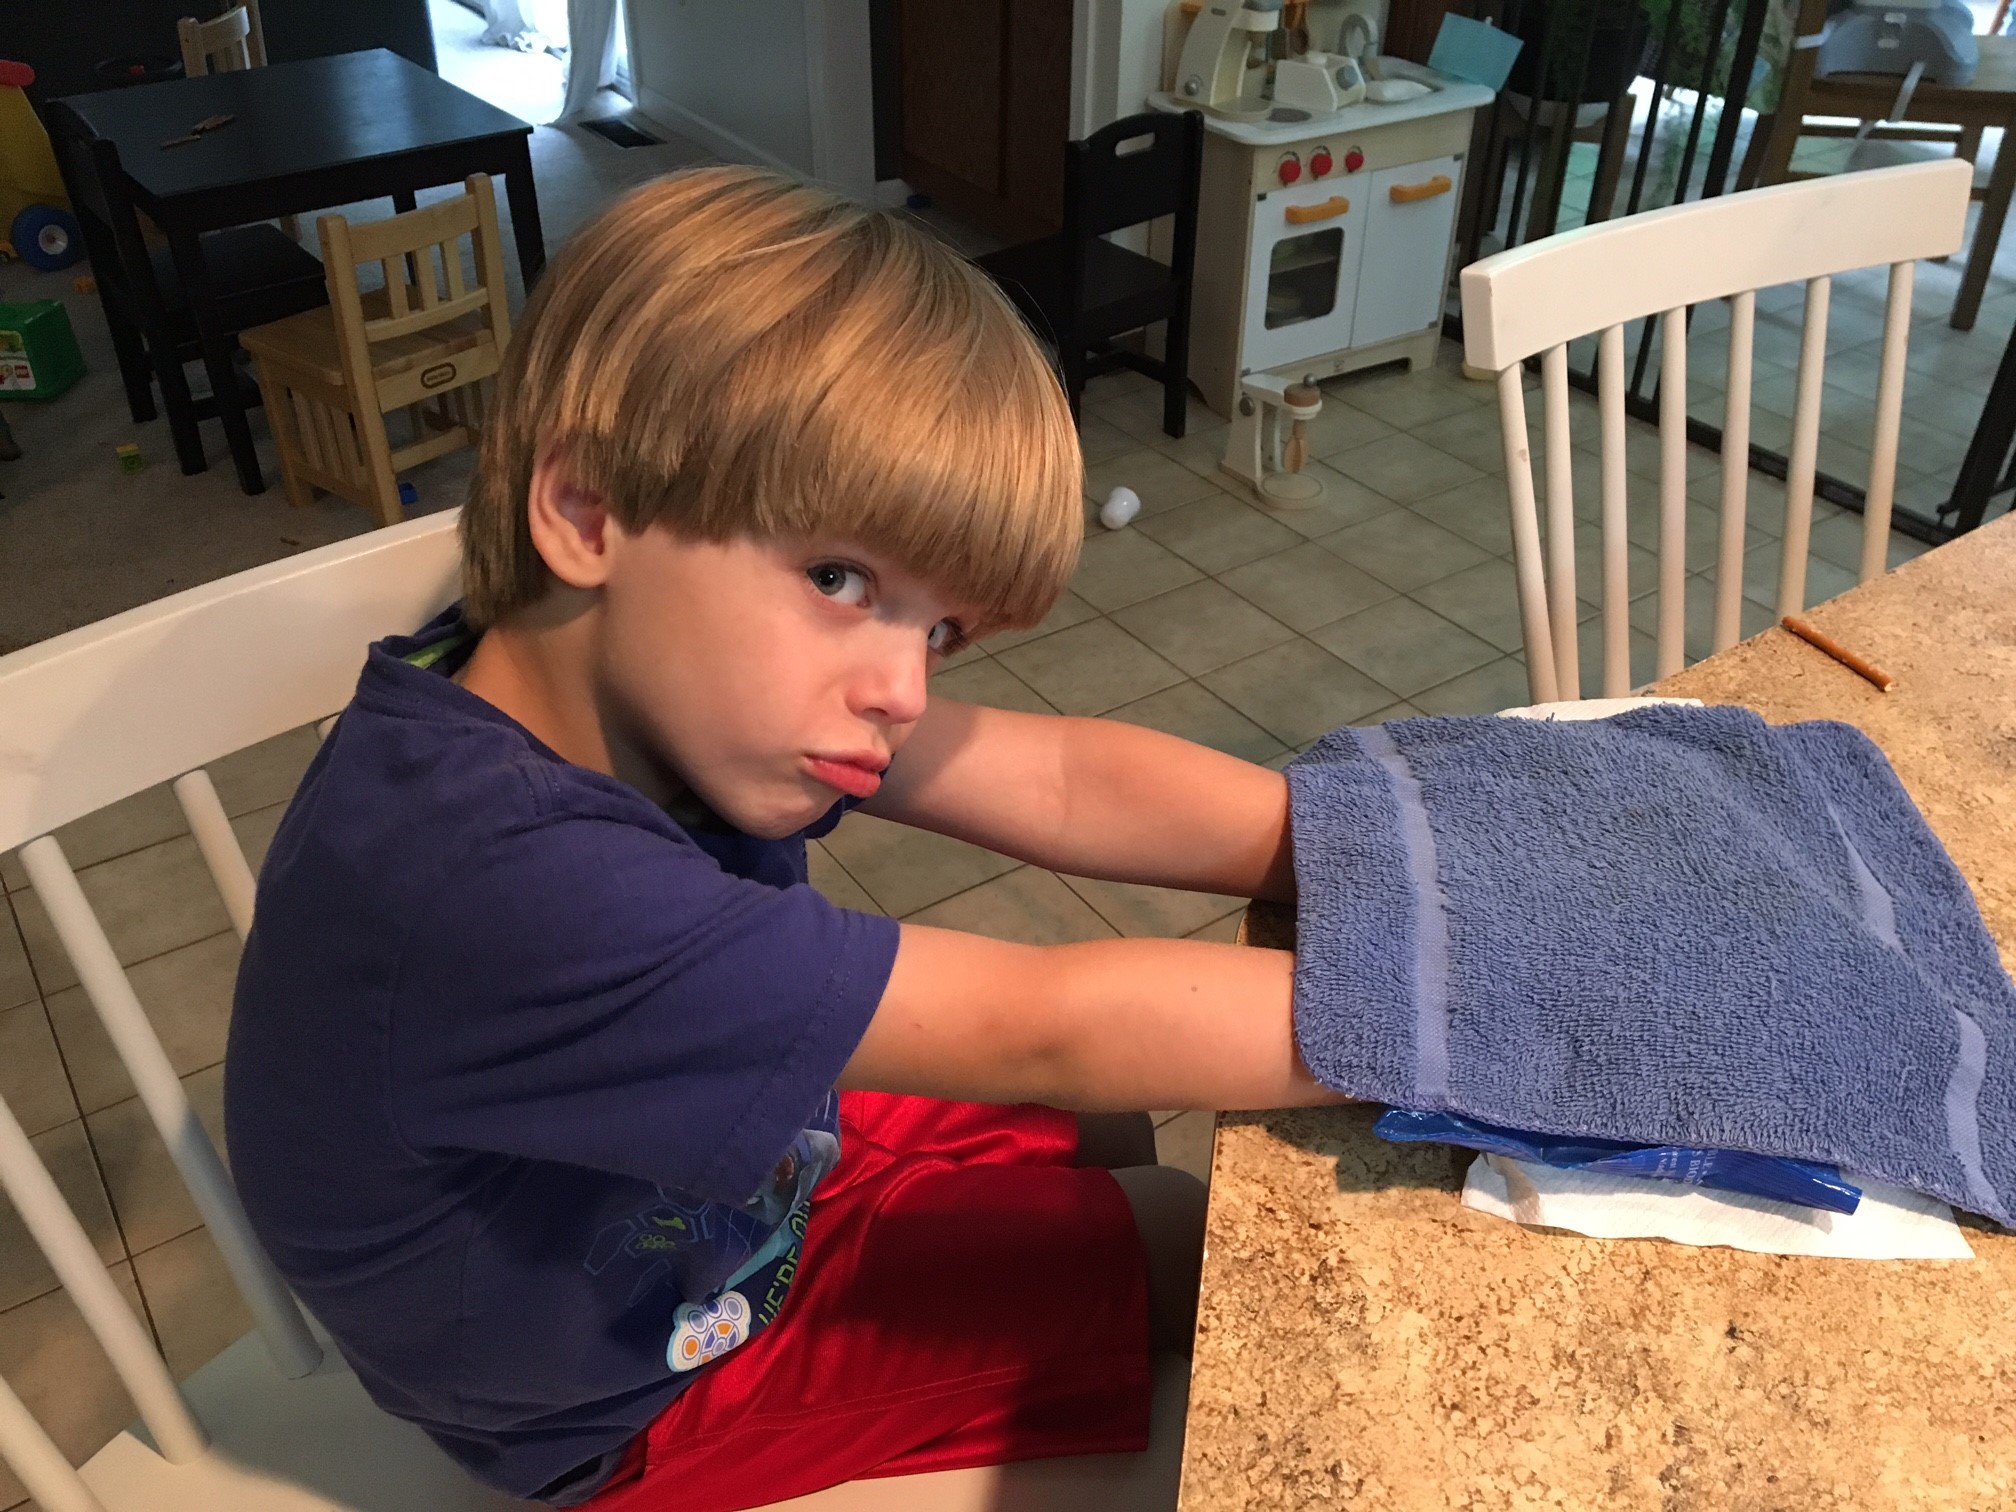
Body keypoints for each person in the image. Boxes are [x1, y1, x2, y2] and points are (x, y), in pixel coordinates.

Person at [225, 164, 1341, 1512]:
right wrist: (1454, 1003)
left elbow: (1050, 780)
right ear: (587, 512)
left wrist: (1349, 850)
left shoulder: (613, 671)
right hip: (627, 1388)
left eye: (936, 631)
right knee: (1176, 1233)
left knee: (1098, 1121)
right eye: (840, 579)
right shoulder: (506, 877)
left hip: (662, 1204)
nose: (904, 690)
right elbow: (1041, 1019)